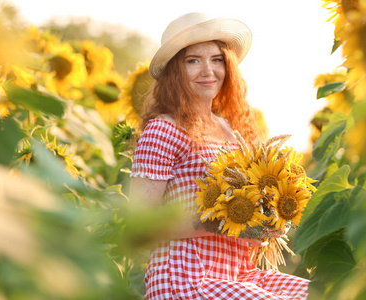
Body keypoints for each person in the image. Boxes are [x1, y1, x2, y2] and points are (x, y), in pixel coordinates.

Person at [130, 12, 310, 300]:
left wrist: (263, 220)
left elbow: (245, 209)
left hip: (237, 273)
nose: (208, 71)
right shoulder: (162, 130)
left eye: (217, 59)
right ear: (175, 70)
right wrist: (219, 223)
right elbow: (141, 224)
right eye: (193, 60)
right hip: (184, 276)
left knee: (326, 292)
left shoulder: (230, 129)